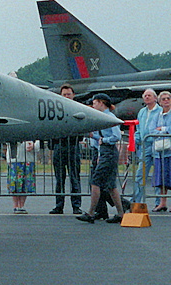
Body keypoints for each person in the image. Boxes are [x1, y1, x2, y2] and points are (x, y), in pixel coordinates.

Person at [77, 94, 126, 224]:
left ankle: (91, 212)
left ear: (101, 103)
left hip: (109, 151)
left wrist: (104, 140)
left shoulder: (110, 118)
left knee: (96, 181)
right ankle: (121, 213)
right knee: (110, 185)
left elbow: (116, 136)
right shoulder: (102, 118)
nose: (93, 106)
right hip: (105, 152)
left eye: (95, 103)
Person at [49, 85, 83, 214]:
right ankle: (59, 205)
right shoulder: (57, 110)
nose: (67, 96)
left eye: (69, 94)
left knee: (74, 177)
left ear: (73, 95)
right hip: (59, 146)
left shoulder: (78, 108)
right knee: (59, 178)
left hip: (73, 146)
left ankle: (76, 205)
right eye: (64, 94)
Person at [133, 89, 159, 203]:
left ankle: (159, 202)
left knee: (158, 174)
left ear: (155, 98)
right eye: (145, 96)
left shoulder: (160, 111)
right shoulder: (142, 112)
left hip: (158, 145)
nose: (147, 97)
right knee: (140, 173)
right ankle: (136, 200)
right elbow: (138, 129)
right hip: (145, 146)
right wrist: (135, 141)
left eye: (149, 95)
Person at [151, 92, 171, 211]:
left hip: (170, 151)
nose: (166, 100)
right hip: (160, 151)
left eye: (168, 98)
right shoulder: (157, 115)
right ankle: (162, 202)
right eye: (163, 99)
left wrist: (162, 129)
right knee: (162, 178)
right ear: (159, 102)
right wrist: (164, 132)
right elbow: (151, 129)